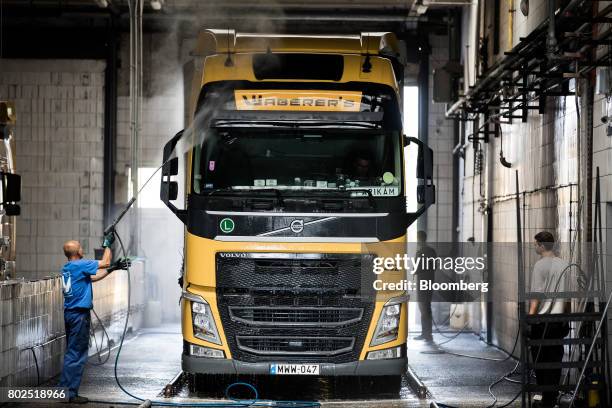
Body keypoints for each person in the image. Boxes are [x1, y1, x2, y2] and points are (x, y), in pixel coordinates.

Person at [58, 233, 115, 404]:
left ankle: (64, 391)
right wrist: (107, 245)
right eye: (81, 247)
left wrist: (113, 270)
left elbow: (93, 278)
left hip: (70, 314)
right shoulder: (80, 264)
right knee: (76, 354)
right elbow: (105, 262)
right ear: (76, 252)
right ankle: (69, 394)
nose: (83, 249)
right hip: (79, 316)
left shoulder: (68, 268)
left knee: (72, 353)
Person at [528, 231, 570, 408]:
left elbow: (537, 294)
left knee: (540, 358)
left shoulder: (540, 266)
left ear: (541, 245)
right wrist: (567, 316)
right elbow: (567, 295)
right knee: (555, 357)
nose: (533, 246)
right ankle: (551, 399)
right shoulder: (563, 264)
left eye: (535, 244)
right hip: (559, 319)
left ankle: (546, 398)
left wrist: (530, 316)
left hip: (543, 320)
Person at [414, 230, 437, 342]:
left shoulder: (420, 252)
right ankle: (427, 334)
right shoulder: (432, 251)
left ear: (419, 239)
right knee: (427, 308)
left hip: (422, 283)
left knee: (423, 308)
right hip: (429, 282)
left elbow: (415, 269)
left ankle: (426, 334)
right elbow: (435, 266)